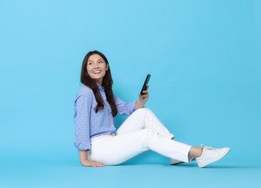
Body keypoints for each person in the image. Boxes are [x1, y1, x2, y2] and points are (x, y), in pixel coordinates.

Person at [73, 50, 230, 167]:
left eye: (100, 62)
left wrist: (141, 101)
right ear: (85, 70)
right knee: (146, 136)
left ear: (107, 67)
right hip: (99, 148)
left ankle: (176, 154)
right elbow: (81, 126)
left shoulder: (104, 91)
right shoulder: (85, 93)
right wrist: (85, 160)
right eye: (90, 63)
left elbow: (127, 109)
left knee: (144, 113)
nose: (96, 66)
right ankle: (199, 153)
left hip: (111, 139)